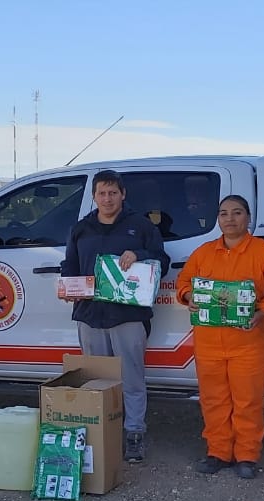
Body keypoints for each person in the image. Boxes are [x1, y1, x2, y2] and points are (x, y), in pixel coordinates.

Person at [176, 195, 264, 479]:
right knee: (214, 400)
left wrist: (263, 311)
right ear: (218, 218)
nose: (230, 219)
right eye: (224, 213)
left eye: (237, 213)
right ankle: (218, 452)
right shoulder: (204, 253)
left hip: (249, 342)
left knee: (247, 401)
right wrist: (188, 296)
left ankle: (247, 456)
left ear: (248, 217)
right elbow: (184, 282)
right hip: (209, 343)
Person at [60, 169, 170, 462]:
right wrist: (68, 288)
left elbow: (163, 260)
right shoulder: (80, 228)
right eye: (101, 193)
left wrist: (140, 254)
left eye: (112, 192)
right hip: (90, 315)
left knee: (131, 379)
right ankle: (99, 434)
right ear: (94, 196)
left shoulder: (140, 226)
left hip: (128, 315)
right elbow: (69, 265)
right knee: (94, 380)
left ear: (123, 194)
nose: (107, 198)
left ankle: (134, 434)